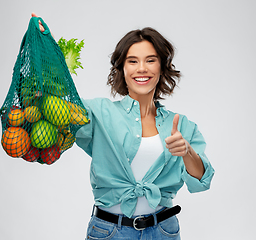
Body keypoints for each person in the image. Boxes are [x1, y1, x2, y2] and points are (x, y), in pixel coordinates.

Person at [32, 13, 215, 240]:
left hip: (163, 232)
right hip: (109, 232)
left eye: (150, 60)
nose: (142, 68)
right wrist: (45, 45)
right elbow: (57, 110)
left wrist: (187, 151)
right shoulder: (98, 113)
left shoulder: (182, 125)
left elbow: (202, 181)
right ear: (122, 69)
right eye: (132, 61)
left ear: (161, 67)